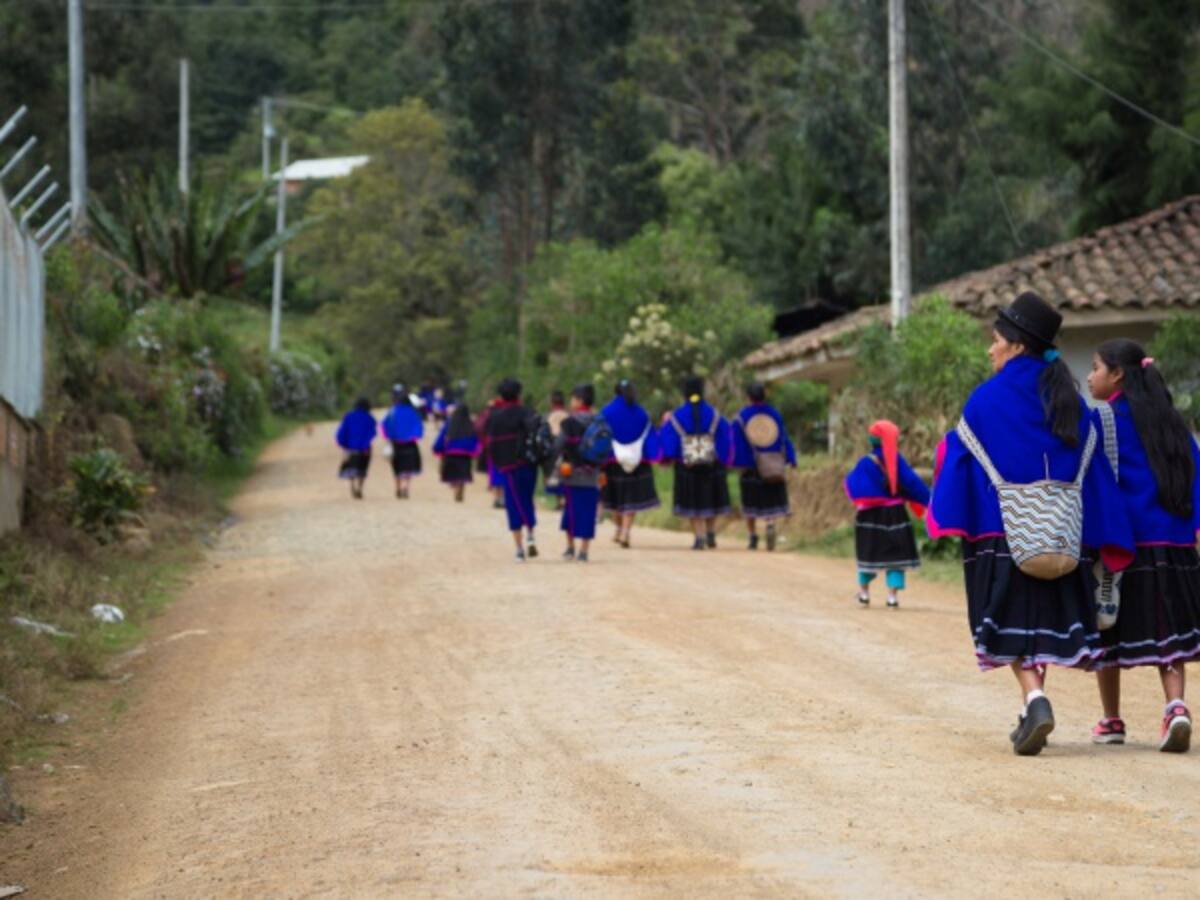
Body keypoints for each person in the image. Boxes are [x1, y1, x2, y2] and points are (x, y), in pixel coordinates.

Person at [928, 291, 1133, 755]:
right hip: (1062, 536)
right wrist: (1105, 535)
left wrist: (947, 512)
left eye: (995, 340)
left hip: (1003, 535)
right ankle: (1031, 706)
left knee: (1007, 625)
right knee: (1040, 625)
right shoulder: (1072, 402)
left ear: (1017, 346)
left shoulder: (985, 400)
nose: (990, 349)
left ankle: (1034, 698)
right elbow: (1095, 469)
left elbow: (957, 460)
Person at [1086, 339, 1200, 752]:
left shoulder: (1101, 422)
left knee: (1107, 625)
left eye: (1096, 367)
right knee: (1169, 631)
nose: (1089, 375)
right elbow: (1195, 473)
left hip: (1123, 542)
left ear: (1117, 374)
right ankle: (1175, 707)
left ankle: (1111, 719)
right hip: (1174, 542)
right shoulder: (1171, 422)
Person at [844, 420, 929, 608]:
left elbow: (852, 483)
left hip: (869, 516)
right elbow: (912, 483)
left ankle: (864, 594)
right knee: (896, 555)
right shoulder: (896, 460)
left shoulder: (865, 462)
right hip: (895, 514)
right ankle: (892, 598)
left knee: (868, 553)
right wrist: (929, 501)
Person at [658, 375, 733, 550]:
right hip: (711, 465)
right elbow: (726, 438)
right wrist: (724, 457)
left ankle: (699, 537)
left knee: (694, 502)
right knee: (710, 499)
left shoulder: (676, 416)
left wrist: (667, 458)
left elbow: (668, 440)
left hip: (687, 466)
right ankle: (711, 532)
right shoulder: (714, 414)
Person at [732, 382, 797, 551]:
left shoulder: (741, 417)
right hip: (772, 464)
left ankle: (753, 535)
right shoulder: (775, 415)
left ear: (748, 397)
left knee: (750, 501)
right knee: (771, 498)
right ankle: (770, 524)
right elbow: (784, 438)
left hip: (750, 465)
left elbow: (735, 442)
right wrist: (791, 457)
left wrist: (735, 461)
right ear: (764, 395)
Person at [485, 378, 539, 561]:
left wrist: (499, 464)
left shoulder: (496, 417)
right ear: (519, 394)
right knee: (527, 499)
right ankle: (530, 535)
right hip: (529, 465)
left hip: (508, 467)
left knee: (513, 503)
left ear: (501, 396)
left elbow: (490, 444)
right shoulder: (529, 413)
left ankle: (519, 549)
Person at [601, 380, 660, 549]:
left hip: (613, 461)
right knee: (630, 498)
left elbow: (599, 434)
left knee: (614, 497)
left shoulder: (607, 411)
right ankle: (626, 531)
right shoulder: (642, 413)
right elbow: (650, 435)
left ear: (615, 392)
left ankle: (618, 529)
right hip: (637, 461)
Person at [557, 384, 603, 562]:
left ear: (580, 400)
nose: (571, 401)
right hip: (592, 474)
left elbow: (558, 445)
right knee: (588, 512)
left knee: (571, 510)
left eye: (573, 398)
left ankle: (570, 548)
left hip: (571, 473)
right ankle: (584, 551)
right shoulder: (599, 421)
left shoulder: (570, 422)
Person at [380, 385, 424, 499]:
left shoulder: (392, 411)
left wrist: (388, 437)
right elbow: (419, 428)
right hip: (410, 444)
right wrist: (415, 436)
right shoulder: (413, 412)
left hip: (396, 444)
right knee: (408, 468)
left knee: (397, 468)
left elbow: (384, 426)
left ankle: (398, 487)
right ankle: (406, 487)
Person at [433, 397, 479, 503]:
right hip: (465, 454)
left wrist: (438, 448)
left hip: (451, 453)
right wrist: (476, 450)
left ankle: (455, 487)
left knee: (453, 474)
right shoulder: (470, 424)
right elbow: (475, 439)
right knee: (463, 474)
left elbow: (441, 437)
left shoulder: (450, 423)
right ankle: (460, 488)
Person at [336, 397, 377, 500]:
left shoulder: (349, 416)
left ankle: (352, 485)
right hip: (365, 449)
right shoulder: (369, 418)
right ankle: (360, 487)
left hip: (351, 448)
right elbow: (373, 432)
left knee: (352, 468)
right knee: (362, 469)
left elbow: (342, 432)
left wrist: (344, 444)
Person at [475, 397, 505, 509]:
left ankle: (497, 497)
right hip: (507, 447)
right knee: (505, 472)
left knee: (494, 471)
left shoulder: (488, 415)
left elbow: (480, 428)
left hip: (492, 446)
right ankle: (503, 498)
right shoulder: (507, 414)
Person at [544, 390, 569, 510]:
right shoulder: (567, 415)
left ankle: (559, 500)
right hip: (566, 447)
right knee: (564, 474)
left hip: (553, 445)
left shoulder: (549, 415)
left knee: (553, 474)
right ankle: (565, 500)